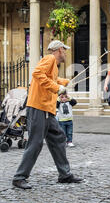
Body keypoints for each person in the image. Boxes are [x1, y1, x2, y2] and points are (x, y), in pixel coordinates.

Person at [12, 40, 83, 189]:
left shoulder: (53, 65)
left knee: (59, 137)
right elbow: (37, 73)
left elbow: (51, 79)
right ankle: (19, 177)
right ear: (58, 50)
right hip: (39, 107)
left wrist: (65, 82)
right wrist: (57, 88)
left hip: (47, 109)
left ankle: (64, 175)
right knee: (35, 143)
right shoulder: (50, 58)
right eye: (64, 50)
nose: (65, 52)